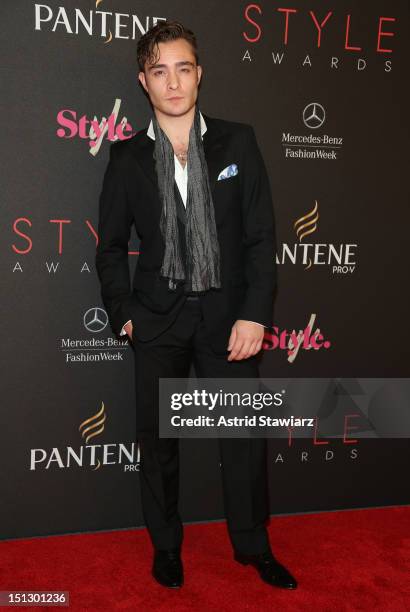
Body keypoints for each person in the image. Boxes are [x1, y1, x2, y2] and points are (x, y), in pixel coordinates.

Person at [96, 20, 297, 591]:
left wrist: (255, 313)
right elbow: (110, 248)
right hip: (156, 320)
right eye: (159, 71)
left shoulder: (238, 142)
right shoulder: (128, 157)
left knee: (241, 439)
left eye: (183, 68)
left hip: (229, 318)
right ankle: (166, 548)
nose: (174, 82)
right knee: (158, 444)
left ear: (199, 73)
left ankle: (253, 547)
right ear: (144, 81)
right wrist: (124, 312)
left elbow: (261, 235)